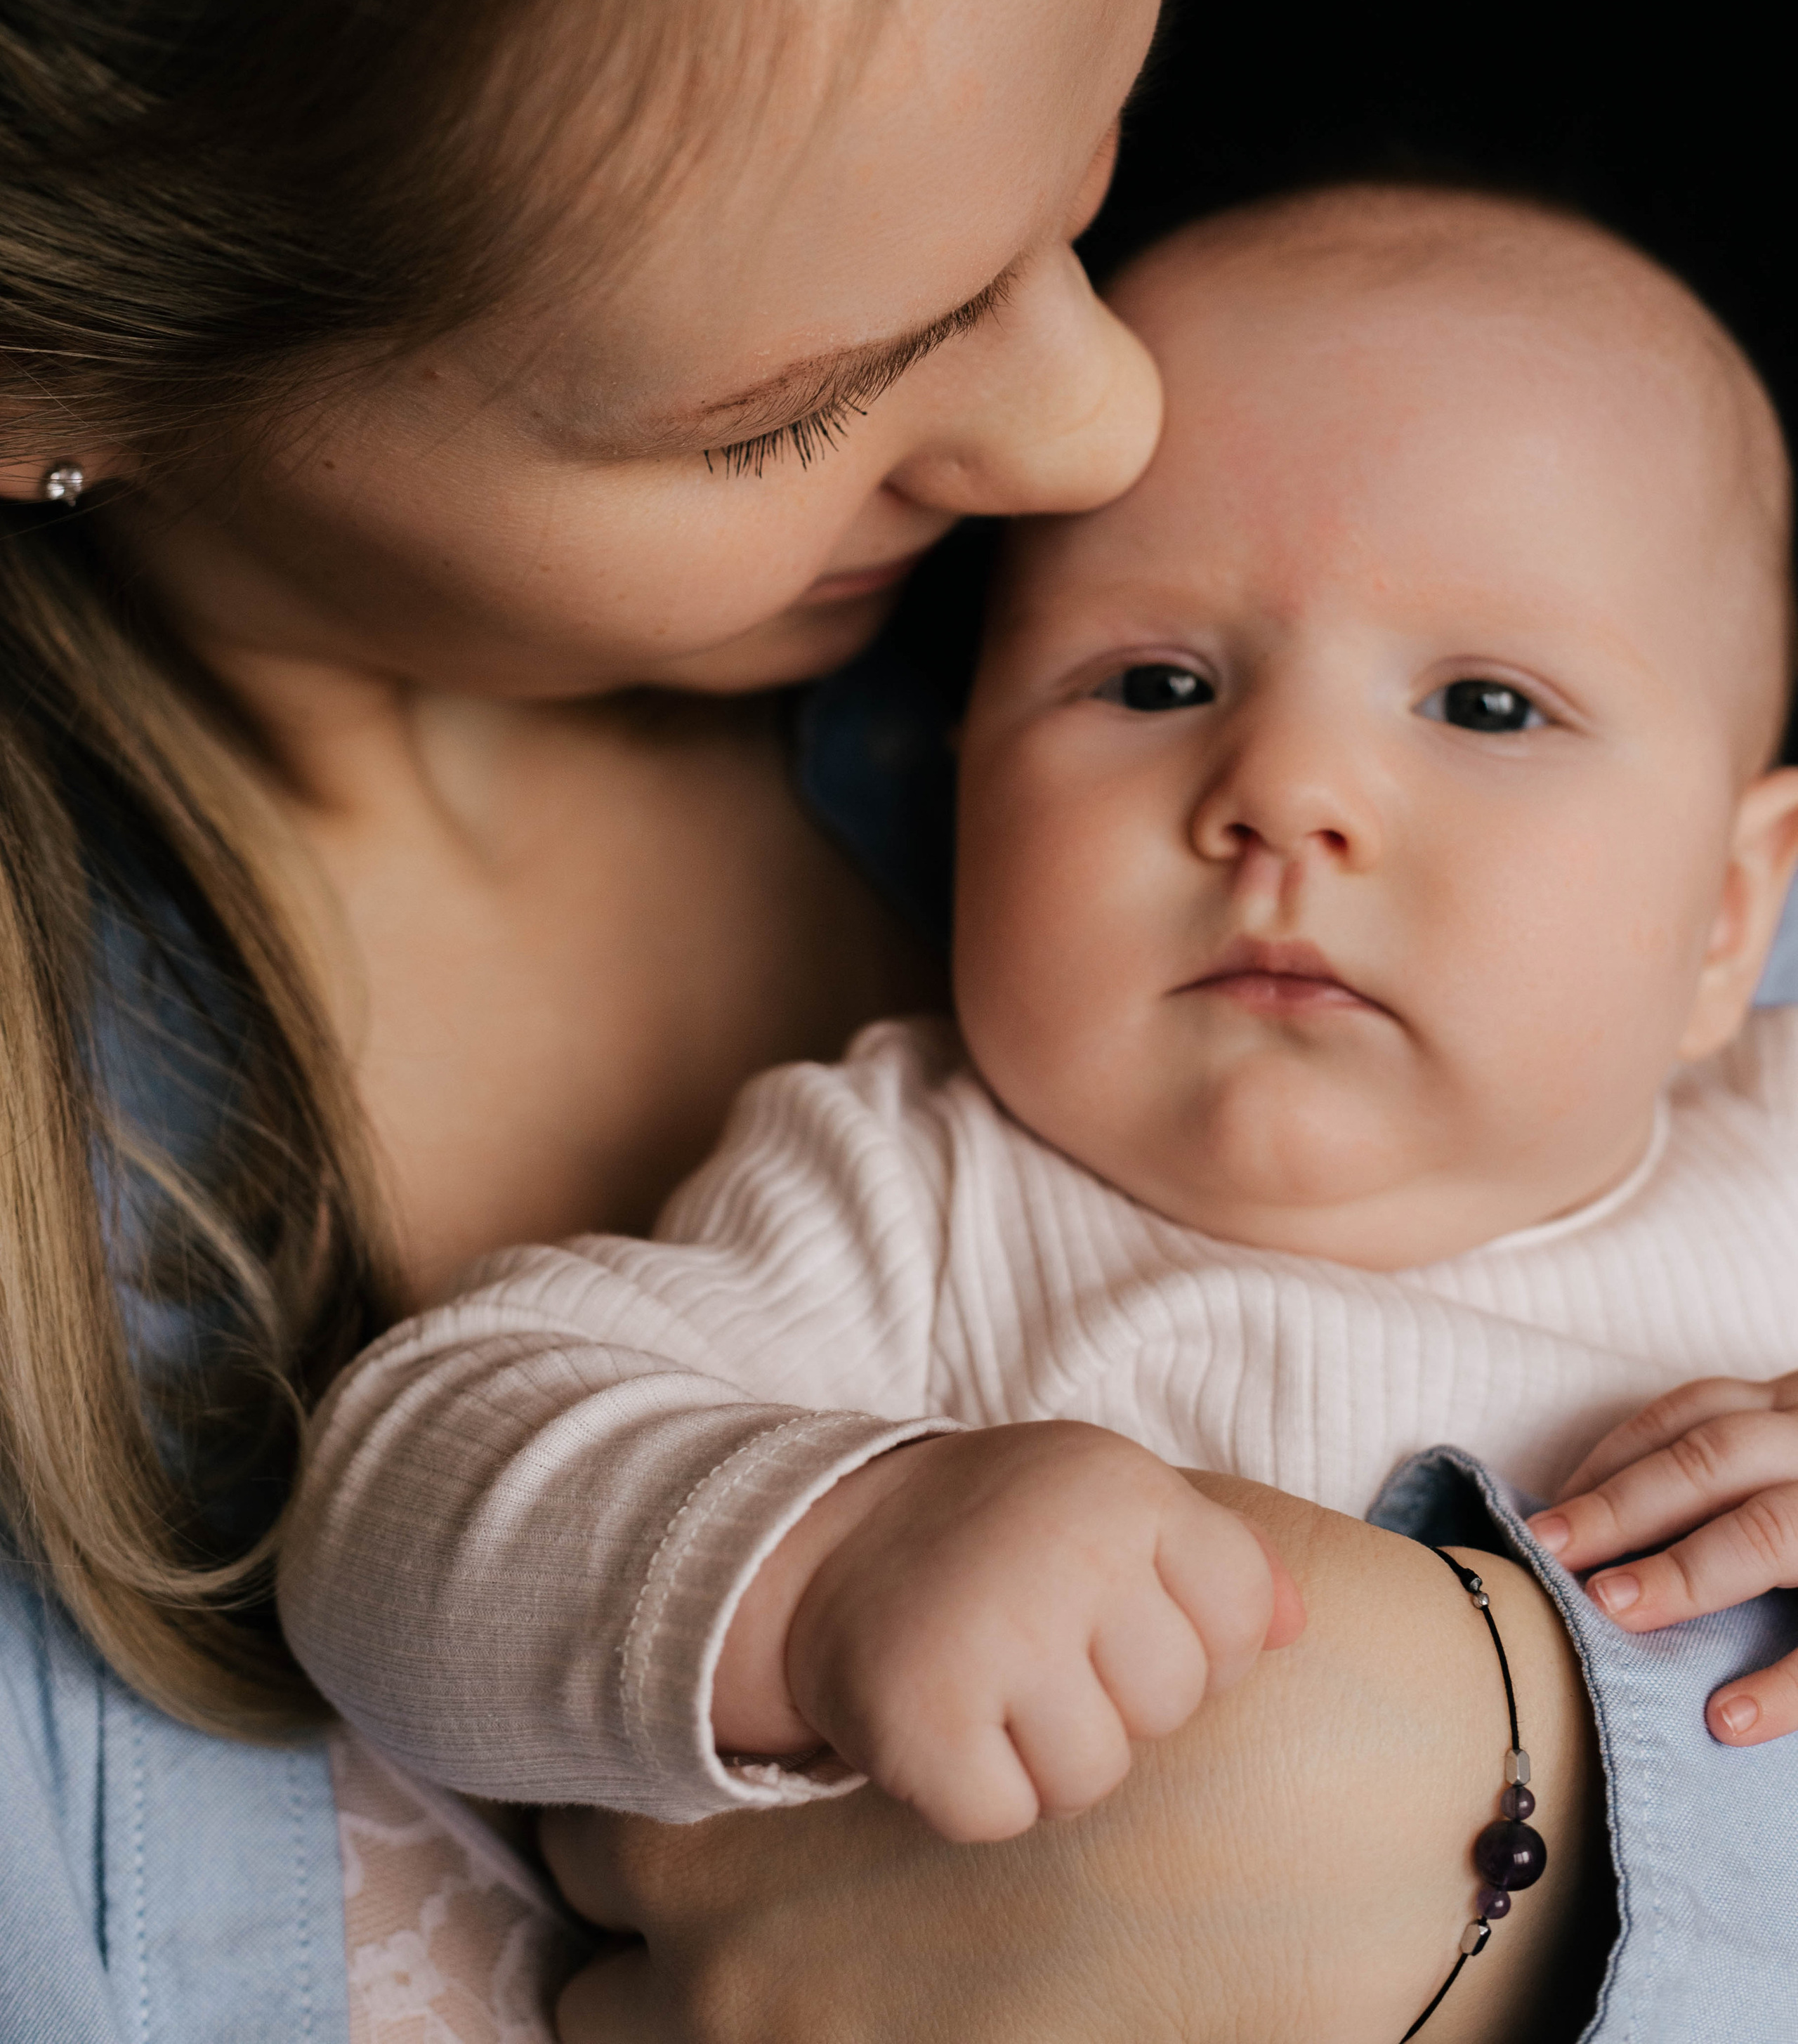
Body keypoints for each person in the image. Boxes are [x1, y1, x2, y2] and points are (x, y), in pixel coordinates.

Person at [0, 0, 1771, 2043]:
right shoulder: (908, 1187)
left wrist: (1538, 1833)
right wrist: (831, 1558)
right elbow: (437, 1488)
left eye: (1092, 176)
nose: (1106, 432)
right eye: (798, 397)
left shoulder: (1690, 1014)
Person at [279, 182, 1798, 2010]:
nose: (1287, 791)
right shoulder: (913, 1191)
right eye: (1154, 680)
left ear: (1732, 915)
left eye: (1486, 707)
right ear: (964, 787)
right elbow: (394, 1503)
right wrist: (835, 1552)